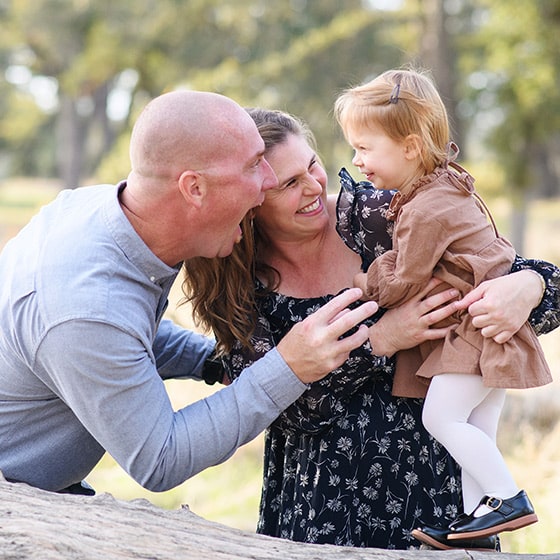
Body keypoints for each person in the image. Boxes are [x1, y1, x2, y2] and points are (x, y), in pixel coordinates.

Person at [182, 107, 560, 550]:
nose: (312, 187)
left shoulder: (382, 217)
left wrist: (530, 285)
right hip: (315, 509)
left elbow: (525, 282)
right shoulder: (235, 279)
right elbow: (282, 409)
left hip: (430, 499)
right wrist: (380, 340)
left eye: (312, 166)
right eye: (288, 184)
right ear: (250, 199)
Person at [0, 90, 381, 495]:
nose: (268, 182)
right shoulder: (85, 308)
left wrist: (215, 363)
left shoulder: (104, 217)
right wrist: (288, 367)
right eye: (254, 167)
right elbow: (161, 458)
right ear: (194, 188)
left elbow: (127, 334)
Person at [333, 67, 553, 548]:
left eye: (365, 149)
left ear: (410, 147)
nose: (358, 161)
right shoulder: (446, 187)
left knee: (441, 419)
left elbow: (404, 279)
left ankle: (506, 496)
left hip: (472, 334)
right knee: (478, 425)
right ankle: (478, 519)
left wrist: (364, 282)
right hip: (488, 330)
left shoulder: (426, 207)